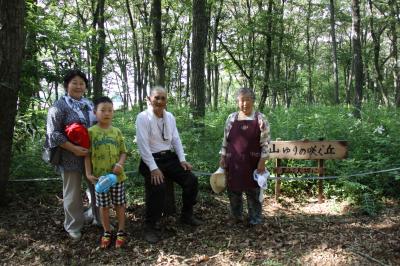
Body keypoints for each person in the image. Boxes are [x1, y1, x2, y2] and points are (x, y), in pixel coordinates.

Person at [136, 86, 201, 243]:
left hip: (169, 158)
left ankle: (186, 215)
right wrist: (153, 168)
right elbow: (143, 145)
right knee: (158, 188)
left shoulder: (170, 117)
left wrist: (182, 159)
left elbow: (176, 139)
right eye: (156, 97)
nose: (159, 101)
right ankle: (150, 226)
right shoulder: (143, 117)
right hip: (150, 159)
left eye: (163, 98)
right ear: (149, 99)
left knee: (191, 180)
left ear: (166, 101)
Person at [44, 69, 99, 241]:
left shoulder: (90, 104)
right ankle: (73, 225)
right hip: (69, 157)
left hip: (92, 156)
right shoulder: (59, 106)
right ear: (66, 85)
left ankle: (99, 218)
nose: (78, 86)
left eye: (81, 83)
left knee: (97, 188)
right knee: (72, 193)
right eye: (74, 82)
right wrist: (74, 149)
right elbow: (53, 134)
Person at [219, 87, 270, 226]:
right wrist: (223, 156)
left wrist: (263, 161)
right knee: (233, 191)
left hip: (253, 162)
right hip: (233, 161)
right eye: (242, 100)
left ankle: (255, 219)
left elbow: (266, 143)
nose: (245, 103)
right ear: (237, 102)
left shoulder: (260, 118)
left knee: (253, 192)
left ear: (253, 101)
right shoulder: (231, 118)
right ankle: (236, 216)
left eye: (248, 100)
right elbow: (225, 139)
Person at [85, 96, 128, 248]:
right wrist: (89, 174)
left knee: (119, 203)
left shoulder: (116, 132)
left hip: (117, 177)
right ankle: (107, 231)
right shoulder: (90, 132)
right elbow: (87, 154)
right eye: (102, 110)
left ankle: (121, 231)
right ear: (95, 112)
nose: (107, 113)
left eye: (110, 110)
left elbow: (124, 152)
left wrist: (120, 164)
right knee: (103, 206)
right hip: (100, 179)